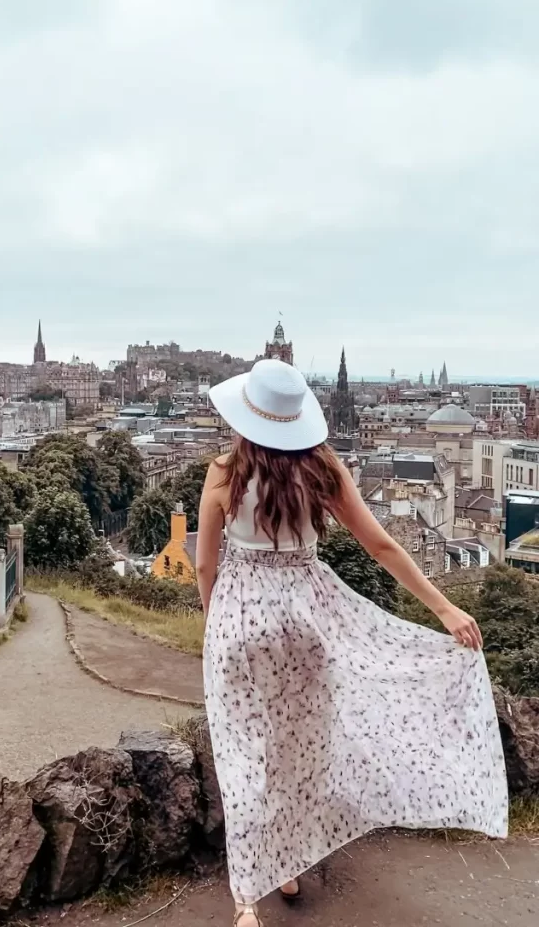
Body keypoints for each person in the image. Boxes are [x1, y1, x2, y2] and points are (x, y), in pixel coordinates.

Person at [197, 359, 508, 926]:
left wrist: (214, 623)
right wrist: (445, 608)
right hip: (309, 621)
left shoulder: (224, 472)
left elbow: (203, 565)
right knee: (301, 748)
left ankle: (246, 899)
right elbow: (383, 547)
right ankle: (285, 865)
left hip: (241, 624)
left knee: (244, 754)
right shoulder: (323, 469)